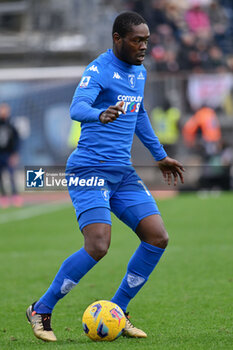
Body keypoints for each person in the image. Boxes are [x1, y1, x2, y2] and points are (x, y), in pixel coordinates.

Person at [26, 12, 184, 342]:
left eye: (146, 40)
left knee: (157, 237)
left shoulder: (139, 72)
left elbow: (139, 115)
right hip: (89, 169)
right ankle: (41, 309)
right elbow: (76, 107)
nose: (144, 46)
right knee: (98, 245)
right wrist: (99, 113)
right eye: (137, 40)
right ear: (117, 39)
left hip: (121, 172)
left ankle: (118, 310)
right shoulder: (99, 70)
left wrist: (160, 156)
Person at [0, 103, 22, 208]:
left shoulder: (11, 124)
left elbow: (17, 139)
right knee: (1, 177)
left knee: (11, 175)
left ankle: (15, 196)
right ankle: (3, 196)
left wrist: (15, 153)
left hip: (9, 153)